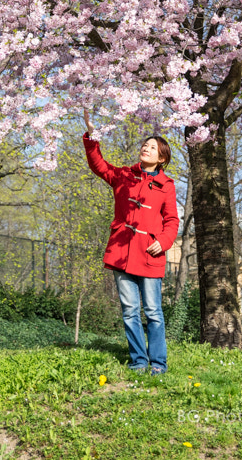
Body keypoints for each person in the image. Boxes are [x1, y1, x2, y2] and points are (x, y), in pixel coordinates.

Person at [83, 110, 179, 375]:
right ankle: (138, 361)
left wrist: (164, 241)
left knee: (154, 312)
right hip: (122, 253)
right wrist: (92, 137)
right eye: (144, 145)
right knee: (129, 311)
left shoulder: (166, 185)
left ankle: (158, 364)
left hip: (150, 255)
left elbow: (172, 220)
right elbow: (98, 165)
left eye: (152, 147)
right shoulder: (123, 176)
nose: (145, 148)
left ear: (162, 158)